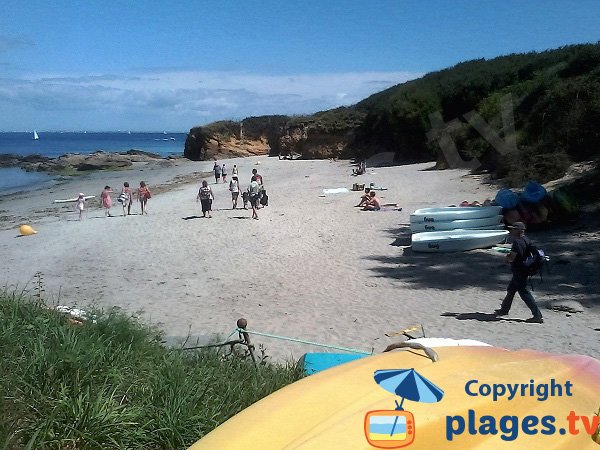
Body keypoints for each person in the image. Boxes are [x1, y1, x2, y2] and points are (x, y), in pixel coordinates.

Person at [494, 222, 543, 323]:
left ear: (519, 230)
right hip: (524, 269)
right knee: (511, 290)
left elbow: (512, 258)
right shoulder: (526, 239)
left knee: (524, 293)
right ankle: (504, 310)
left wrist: (507, 258)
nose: (511, 230)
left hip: (519, 270)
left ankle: (537, 315)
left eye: (513, 229)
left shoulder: (517, 242)